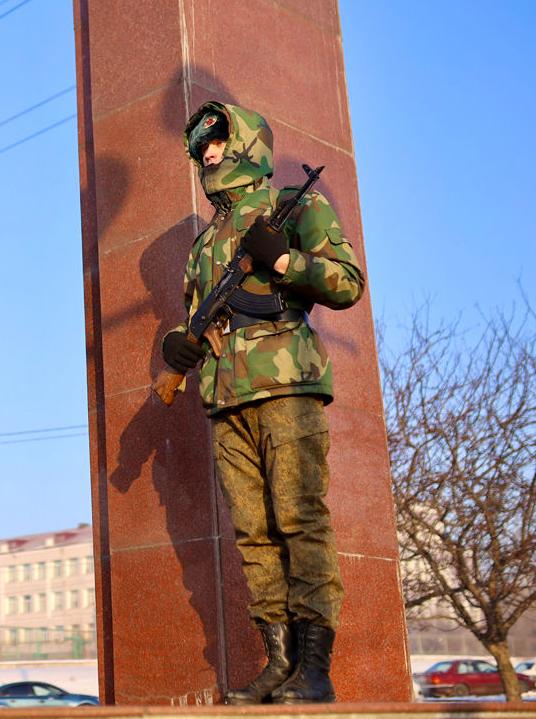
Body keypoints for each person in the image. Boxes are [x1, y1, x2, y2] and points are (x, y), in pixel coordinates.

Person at [161, 102, 364, 704]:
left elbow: (348, 282)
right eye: (200, 148)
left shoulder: (292, 205)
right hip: (226, 399)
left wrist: (282, 259)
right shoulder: (203, 245)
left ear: (246, 142)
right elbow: (199, 317)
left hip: (286, 388)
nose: (208, 154)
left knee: (300, 518)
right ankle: (279, 661)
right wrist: (179, 345)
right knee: (253, 534)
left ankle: (315, 668)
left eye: (218, 141)